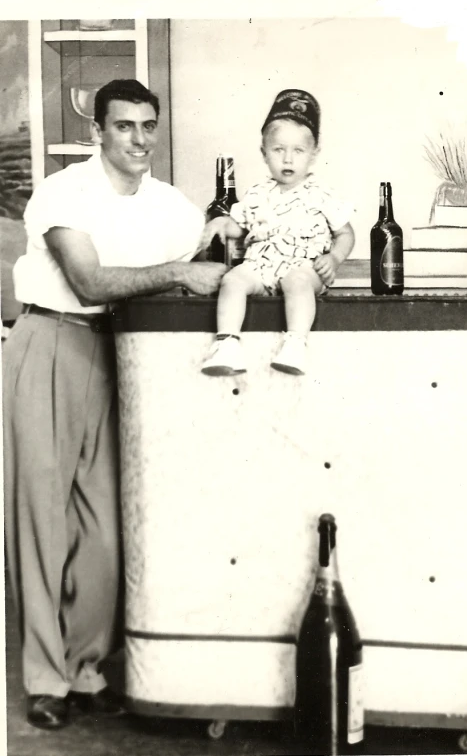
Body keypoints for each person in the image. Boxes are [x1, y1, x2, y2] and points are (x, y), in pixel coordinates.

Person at [2, 79, 227, 730]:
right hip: (50, 340)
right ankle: (45, 679)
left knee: (105, 529)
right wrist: (180, 272)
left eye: (147, 126)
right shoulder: (63, 192)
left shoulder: (168, 204)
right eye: (124, 126)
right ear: (98, 131)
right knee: (42, 519)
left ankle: (87, 667)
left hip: (121, 353)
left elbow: (207, 240)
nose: (138, 139)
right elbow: (89, 279)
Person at [200, 89, 355, 377]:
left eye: (298, 151)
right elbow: (240, 226)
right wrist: (221, 224)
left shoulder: (321, 194)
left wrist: (333, 259)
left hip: (306, 268)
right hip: (262, 266)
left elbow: (345, 233)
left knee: (297, 281)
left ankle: (295, 343)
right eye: (278, 150)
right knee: (233, 279)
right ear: (264, 153)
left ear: (313, 154)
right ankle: (228, 344)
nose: (287, 160)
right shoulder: (258, 193)